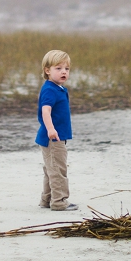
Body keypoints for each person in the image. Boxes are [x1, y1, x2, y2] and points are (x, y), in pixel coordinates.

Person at [35, 50, 79, 212]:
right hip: (52, 138)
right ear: (47, 70)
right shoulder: (50, 89)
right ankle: (59, 202)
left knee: (51, 169)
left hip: (56, 137)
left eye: (66, 69)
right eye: (58, 68)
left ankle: (46, 200)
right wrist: (51, 129)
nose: (63, 72)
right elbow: (45, 111)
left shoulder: (58, 88)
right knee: (58, 169)